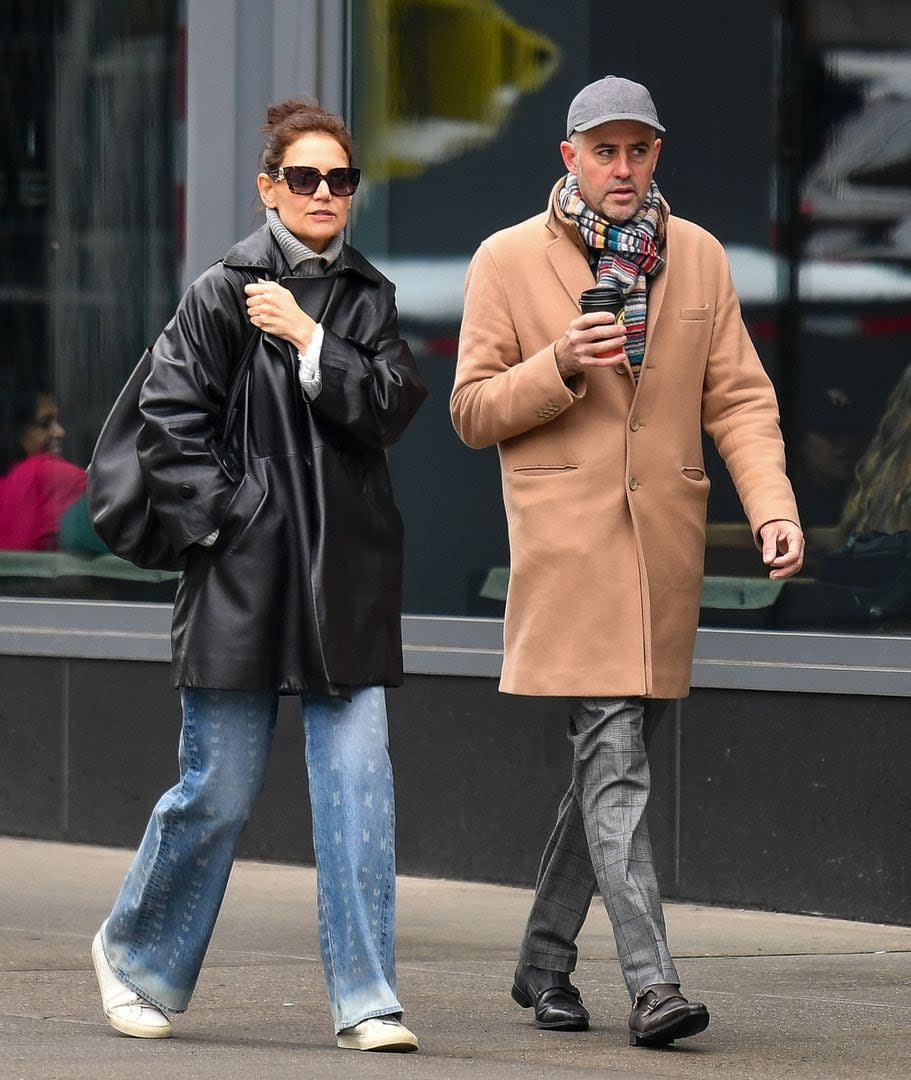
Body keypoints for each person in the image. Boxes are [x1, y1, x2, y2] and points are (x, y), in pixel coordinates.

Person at [451, 75, 804, 1049]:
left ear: (656, 156)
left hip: (662, 558)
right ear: (567, 157)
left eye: (636, 151)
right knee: (616, 771)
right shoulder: (505, 260)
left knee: (608, 772)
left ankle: (542, 962)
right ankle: (653, 986)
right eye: (601, 151)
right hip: (569, 559)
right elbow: (470, 409)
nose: (620, 168)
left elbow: (736, 399)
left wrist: (769, 507)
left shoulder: (693, 258)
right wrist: (561, 362)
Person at [90, 99, 427, 1053]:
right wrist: (236, 519)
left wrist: (311, 341)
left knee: (359, 790)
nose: (325, 195)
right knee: (218, 791)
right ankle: (135, 954)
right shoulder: (221, 290)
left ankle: (367, 998)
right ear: (269, 186)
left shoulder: (368, 295)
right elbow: (169, 423)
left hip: (348, 584)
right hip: (243, 577)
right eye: (306, 177)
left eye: (341, 180)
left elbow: (394, 403)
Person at [0, 382, 87, 551]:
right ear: (14, 431)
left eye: (57, 421)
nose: (60, 432)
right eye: (45, 423)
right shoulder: (51, 475)